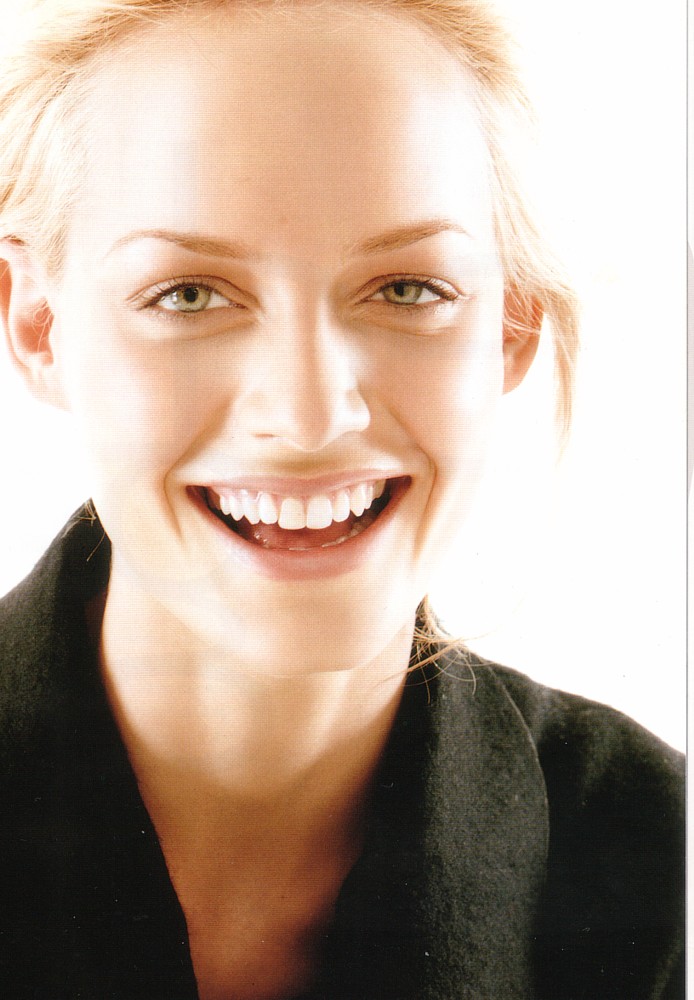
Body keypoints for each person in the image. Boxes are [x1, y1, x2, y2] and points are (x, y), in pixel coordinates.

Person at [0, 1, 683, 998]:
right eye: (189, 293)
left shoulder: (660, 860)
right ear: (38, 324)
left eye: (408, 289)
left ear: (511, 327)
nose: (311, 416)